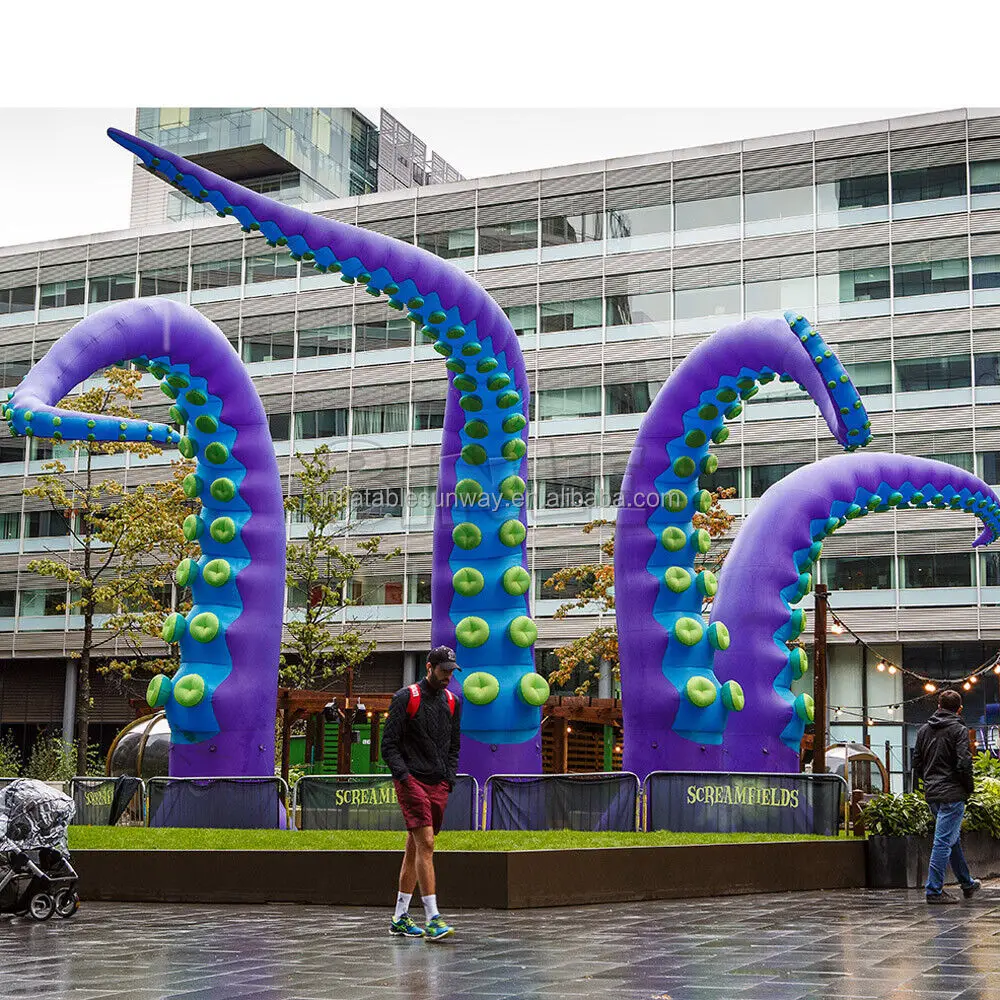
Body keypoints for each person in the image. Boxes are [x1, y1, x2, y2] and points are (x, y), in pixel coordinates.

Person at [380, 645, 462, 940]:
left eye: (452, 672)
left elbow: (454, 746)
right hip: (411, 780)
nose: (448, 677)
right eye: (443, 671)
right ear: (429, 667)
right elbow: (388, 745)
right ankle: (433, 918)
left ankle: (400, 917)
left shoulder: (453, 702)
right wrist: (404, 777)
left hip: (438, 782)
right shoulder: (406, 698)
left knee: (415, 848)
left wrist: (448, 779)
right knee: (426, 843)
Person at [911, 689, 981, 904]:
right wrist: (968, 788)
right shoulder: (959, 730)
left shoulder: (923, 730)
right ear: (959, 709)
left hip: (933, 793)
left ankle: (966, 883)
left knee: (952, 839)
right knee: (943, 841)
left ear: (938, 706)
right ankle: (934, 890)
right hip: (952, 793)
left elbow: (917, 763)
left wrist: (930, 782)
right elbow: (963, 763)